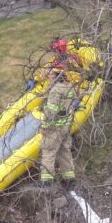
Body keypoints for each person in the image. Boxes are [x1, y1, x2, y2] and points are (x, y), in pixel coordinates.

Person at [39, 56, 81, 188]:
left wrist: (44, 126)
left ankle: (46, 183)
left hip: (54, 127)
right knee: (64, 152)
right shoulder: (69, 88)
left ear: (57, 75)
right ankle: (70, 180)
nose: (49, 76)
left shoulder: (55, 90)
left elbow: (51, 111)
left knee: (48, 151)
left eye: (51, 74)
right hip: (66, 127)